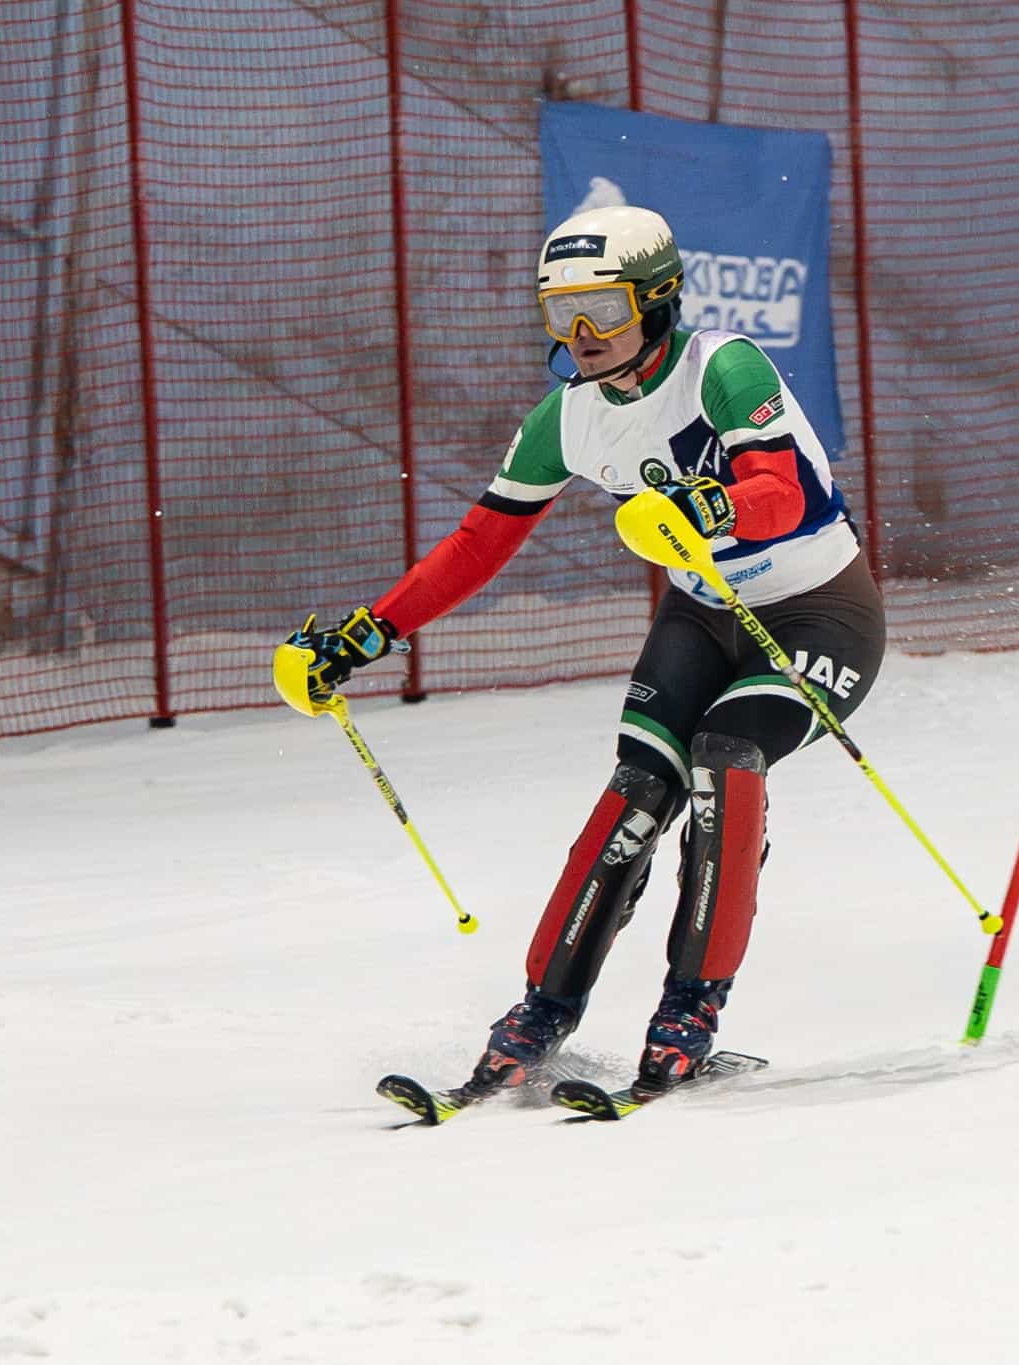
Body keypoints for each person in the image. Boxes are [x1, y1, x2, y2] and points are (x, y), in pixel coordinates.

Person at [286, 204, 884, 1103]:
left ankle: (690, 1011)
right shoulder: (565, 418)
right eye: (558, 311)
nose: (579, 335)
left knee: (726, 758)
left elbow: (787, 489)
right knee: (641, 785)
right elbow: (477, 545)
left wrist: (707, 511)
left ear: (656, 300)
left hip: (818, 612)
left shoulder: (719, 365)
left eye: (600, 309)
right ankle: (540, 1012)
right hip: (703, 615)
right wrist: (366, 635)